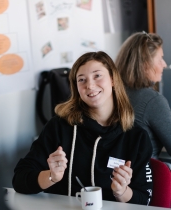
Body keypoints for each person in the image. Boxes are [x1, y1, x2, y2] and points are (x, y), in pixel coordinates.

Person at [12, 51, 153, 205]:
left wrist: (122, 191)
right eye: (81, 80)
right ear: (76, 88)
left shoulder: (136, 136)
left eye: (97, 76)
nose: (90, 85)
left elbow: (144, 199)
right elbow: (19, 179)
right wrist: (52, 176)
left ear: (112, 79)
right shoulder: (59, 126)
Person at [115, 31, 171, 160]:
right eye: (160, 59)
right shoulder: (152, 101)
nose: (164, 64)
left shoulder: (112, 93)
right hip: (145, 175)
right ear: (145, 64)